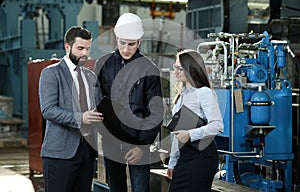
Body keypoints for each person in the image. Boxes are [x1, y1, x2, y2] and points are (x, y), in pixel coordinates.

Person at [94, 13, 164, 192]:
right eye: (122, 43)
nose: (126, 49)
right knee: (116, 188)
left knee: (141, 188)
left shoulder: (149, 69)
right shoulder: (103, 64)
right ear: (116, 39)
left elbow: (155, 113)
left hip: (137, 142)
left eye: (131, 44)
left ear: (139, 42)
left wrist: (142, 146)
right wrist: (104, 134)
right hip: (111, 141)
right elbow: (96, 100)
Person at [39, 26, 103, 192]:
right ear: (67, 47)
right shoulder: (51, 73)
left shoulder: (90, 76)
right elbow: (48, 110)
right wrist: (80, 117)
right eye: (80, 48)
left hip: (87, 152)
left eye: (88, 49)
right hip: (60, 153)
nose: (85, 54)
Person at [167, 49, 224, 192]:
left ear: (191, 68)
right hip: (185, 155)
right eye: (175, 67)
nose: (176, 72)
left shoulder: (204, 93)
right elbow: (177, 134)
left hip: (201, 156)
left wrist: (190, 134)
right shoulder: (181, 95)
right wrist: (172, 162)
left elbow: (217, 125)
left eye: (180, 68)